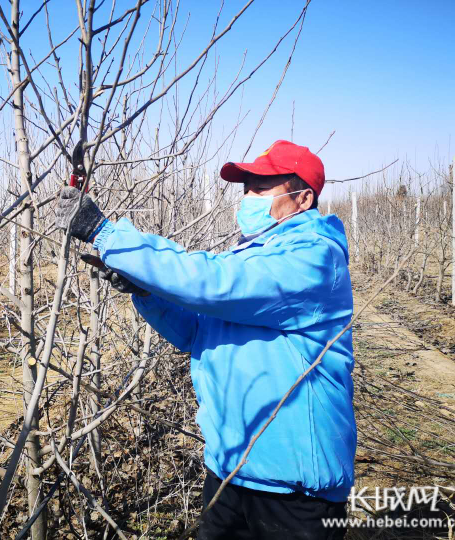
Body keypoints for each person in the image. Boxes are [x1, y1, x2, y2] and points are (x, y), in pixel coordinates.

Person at [55, 140, 355, 539]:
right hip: (231, 468)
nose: (247, 196)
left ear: (302, 199)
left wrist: (106, 234)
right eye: (246, 186)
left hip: (295, 488)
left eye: (260, 187)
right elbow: (196, 331)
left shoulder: (314, 260)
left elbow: (214, 284)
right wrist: (147, 292)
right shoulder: (249, 255)